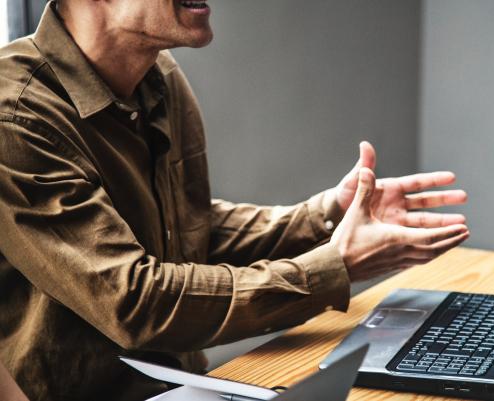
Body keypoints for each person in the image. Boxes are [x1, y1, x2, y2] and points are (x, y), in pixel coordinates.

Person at [0, 1, 469, 400]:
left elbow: (189, 227)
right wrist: (334, 268)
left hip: (185, 387)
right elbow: (136, 302)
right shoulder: (15, 117)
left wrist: (326, 217)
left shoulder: (160, 78)